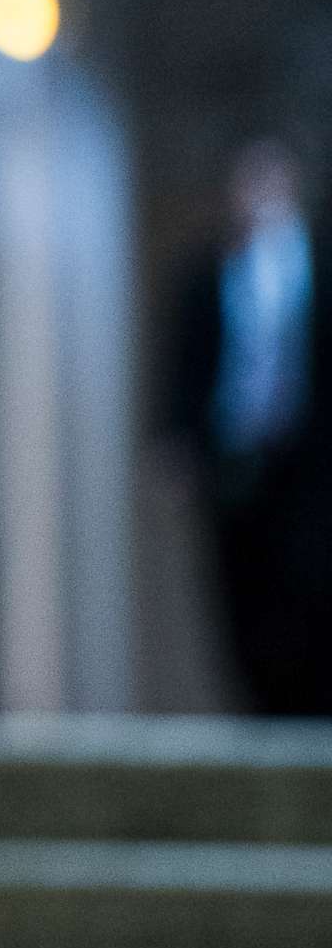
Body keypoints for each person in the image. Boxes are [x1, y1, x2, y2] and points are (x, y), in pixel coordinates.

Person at [159, 134, 331, 716]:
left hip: (310, 468)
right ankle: (258, 709)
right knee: (240, 590)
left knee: (308, 586)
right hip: (234, 462)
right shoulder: (209, 277)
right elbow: (184, 363)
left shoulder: (316, 271)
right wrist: (178, 441)